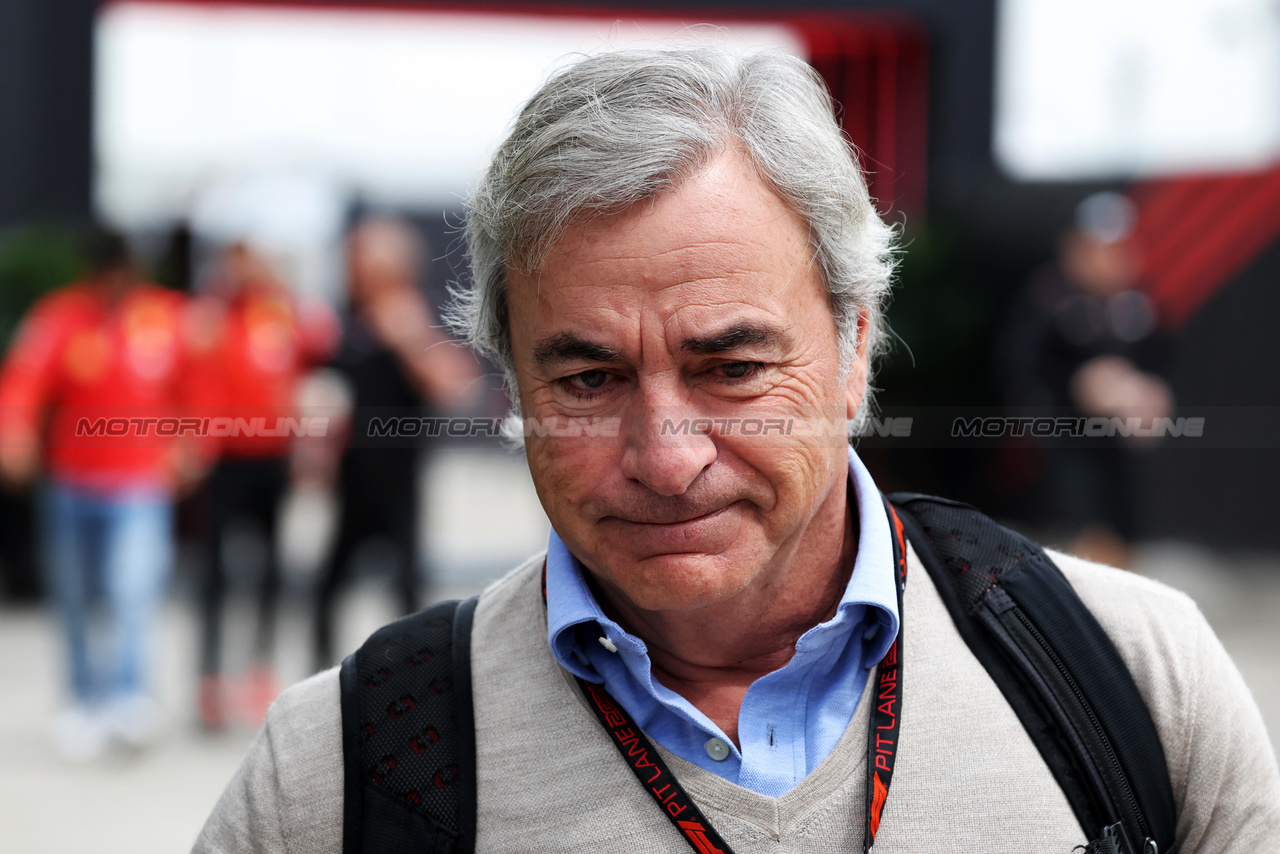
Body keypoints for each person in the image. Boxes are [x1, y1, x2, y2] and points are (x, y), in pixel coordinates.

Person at [194, 48, 1279, 852]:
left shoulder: (1135, 679)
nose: (666, 457)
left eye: (733, 368)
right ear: (510, 375)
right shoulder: (342, 766)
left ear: (855, 346)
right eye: (586, 380)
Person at [0, 230, 197, 759]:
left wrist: (190, 438)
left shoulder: (163, 316)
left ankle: (129, 698)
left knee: (131, 589)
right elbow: (24, 380)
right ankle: (83, 700)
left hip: (139, 482)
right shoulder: (61, 316)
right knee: (75, 595)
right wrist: (14, 434)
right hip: (73, 482)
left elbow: (194, 384)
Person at [310, 217, 477, 670]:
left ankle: (413, 676)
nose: (352, 271)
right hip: (352, 477)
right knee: (328, 586)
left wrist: (410, 339)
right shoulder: (347, 324)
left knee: (406, 588)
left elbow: (457, 388)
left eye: (361, 261)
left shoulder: (414, 317)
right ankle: (323, 678)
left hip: (399, 478)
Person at [188, 242, 338, 730]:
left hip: (271, 457)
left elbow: (320, 346)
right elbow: (190, 368)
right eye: (235, 262)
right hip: (224, 459)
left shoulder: (280, 310)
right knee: (214, 570)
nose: (243, 271)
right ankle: (209, 677)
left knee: (272, 568)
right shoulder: (211, 315)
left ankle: (259, 669)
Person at [995, 192, 1173, 567]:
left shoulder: (1137, 308)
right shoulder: (1048, 302)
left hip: (1124, 458)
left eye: (1118, 249)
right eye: (1098, 249)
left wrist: (1147, 395)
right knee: (1085, 540)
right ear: (1075, 248)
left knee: (1123, 537)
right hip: (1065, 453)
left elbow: (1160, 368)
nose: (1110, 261)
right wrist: (1080, 388)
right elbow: (1020, 373)